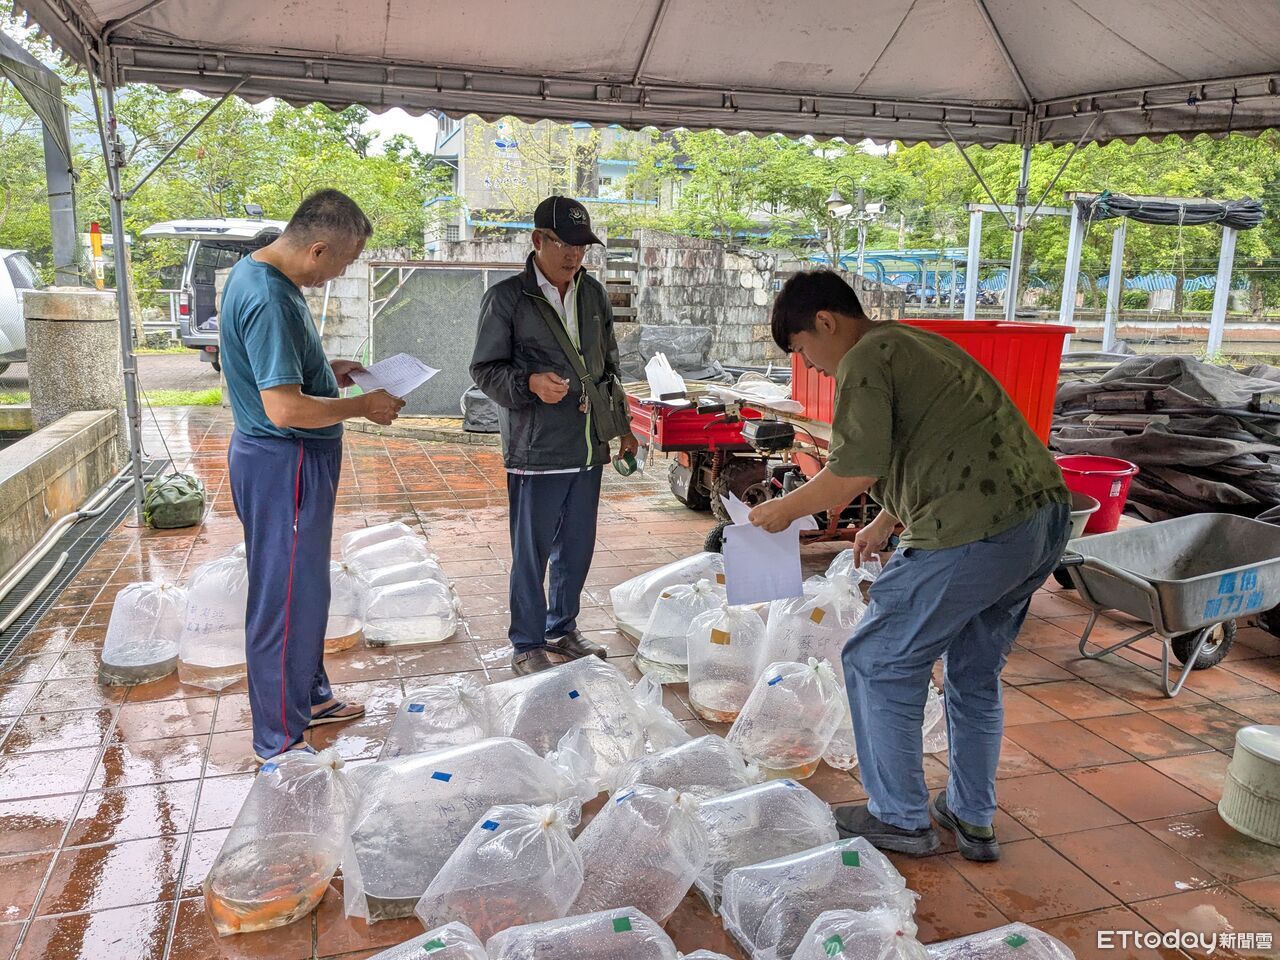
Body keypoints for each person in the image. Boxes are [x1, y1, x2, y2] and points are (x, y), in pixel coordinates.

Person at [749, 271, 1070, 862]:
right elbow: (937, 442)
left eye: (802, 351)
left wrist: (780, 510)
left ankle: (897, 817)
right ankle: (972, 817)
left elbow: (852, 472)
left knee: (876, 660)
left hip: (974, 529)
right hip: (1040, 521)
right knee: (973, 674)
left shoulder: (864, 359)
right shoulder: (916, 343)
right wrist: (886, 521)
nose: (811, 366)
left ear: (826, 322)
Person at [220, 188, 404, 763]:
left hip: (283, 460)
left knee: (305, 589)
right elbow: (286, 408)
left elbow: (284, 370)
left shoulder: (262, 276)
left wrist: (332, 369)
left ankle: (310, 696)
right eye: (344, 262)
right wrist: (363, 406)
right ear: (318, 248)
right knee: (283, 598)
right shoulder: (272, 300)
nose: (342, 273)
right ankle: (278, 740)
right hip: (284, 460)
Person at [471, 196, 639, 676]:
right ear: (537, 240)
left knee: (578, 546)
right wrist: (528, 384)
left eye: (582, 246)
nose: (573, 255)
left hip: (587, 445)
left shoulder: (594, 295)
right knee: (532, 552)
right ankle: (526, 642)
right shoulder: (507, 298)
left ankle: (561, 628)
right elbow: (484, 370)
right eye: (563, 243)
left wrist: (622, 427)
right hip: (535, 449)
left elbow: (609, 366)